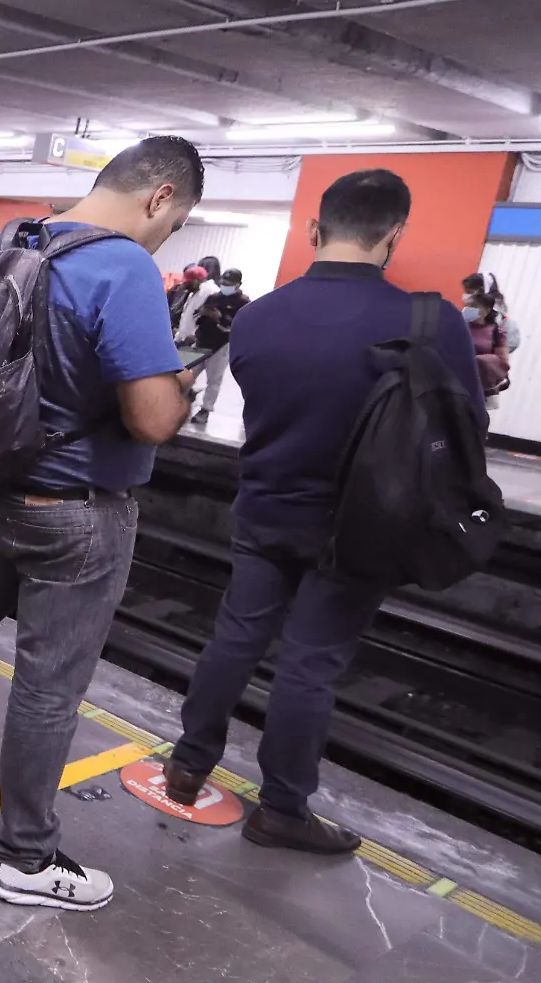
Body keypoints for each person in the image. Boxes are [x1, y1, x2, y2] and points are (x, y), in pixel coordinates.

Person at [0, 136, 205, 912]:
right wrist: (182, 385)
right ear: (159, 196)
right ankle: (25, 857)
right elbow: (152, 418)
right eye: (177, 221)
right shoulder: (122, 265)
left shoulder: (12, 241)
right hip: (74, 516)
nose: (168, 235)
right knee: (48, 687)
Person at [163, 169, 485, 854]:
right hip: (364, 529)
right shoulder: (432, 322)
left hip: (265, 507)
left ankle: (188, 766)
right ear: (395, 235)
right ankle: (281, 809)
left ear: (314, 230)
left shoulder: (257, 317)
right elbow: (466, 431)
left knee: (236, 637)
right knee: (310, 663)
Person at [188, 268, 249, 424]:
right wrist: (203, 314)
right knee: (188, 375)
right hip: (202, 341)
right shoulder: (213, 297)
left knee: (214, 380)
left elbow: (240, 325)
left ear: (238, 284)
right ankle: (186, 397)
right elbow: (197, 316)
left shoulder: (243, 302)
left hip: (221, 344)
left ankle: (205, 409)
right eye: (223, 282)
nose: (225, 286)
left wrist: (221, 318)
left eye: (229, 283)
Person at [463, 272, 512, 407]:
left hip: (483, 381)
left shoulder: (498, 324)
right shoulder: (464, 321)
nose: (466, 297)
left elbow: (503, 358)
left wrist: (481, 360)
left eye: (470, 292)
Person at [175, 260, 220, 343]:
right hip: (184, 341)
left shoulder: (211, 291)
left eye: (187, 283)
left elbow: (207, 319)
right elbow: (186, 316)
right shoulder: (193, 293)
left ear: (196, 281)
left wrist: (195, 336)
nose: (185, 286)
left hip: (196, 342)